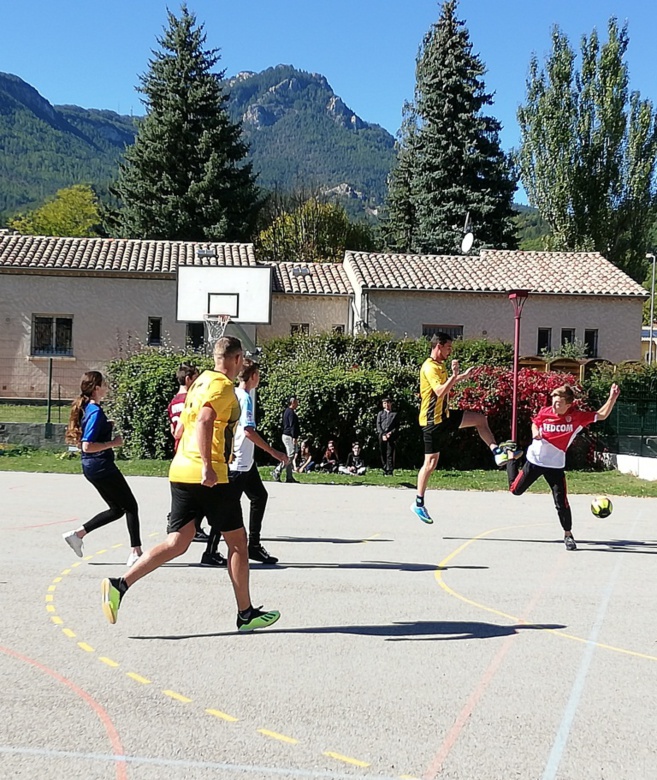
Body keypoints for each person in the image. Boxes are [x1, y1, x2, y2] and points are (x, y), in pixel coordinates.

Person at [100, 336, 280, 633]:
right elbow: (206, 420)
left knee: (178, 542)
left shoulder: (199, 382)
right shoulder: (223, 386)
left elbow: (183, 424)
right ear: (236, 360)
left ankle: (120, 584)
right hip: (208, 476)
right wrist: (209, 465)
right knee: (238, 543)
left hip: (181, 471)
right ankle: (246, 614)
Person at [412, 332, 522, 524]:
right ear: (439, 346)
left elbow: (444, 387)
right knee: (430, 464)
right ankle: (419, 504)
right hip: (432, 422)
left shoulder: (439, 366)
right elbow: (439, 391)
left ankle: (496, 452)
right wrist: (455, 375)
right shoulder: (429, 367)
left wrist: (462, 376)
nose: (450, 351)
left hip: (445, 416)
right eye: (448, 348)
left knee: (480, 419)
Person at [507, 383, 620, 551]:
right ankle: (511, 457)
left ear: (568, 404)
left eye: (558, 402)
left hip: (555, 465)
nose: (554, 405)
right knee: (515, 490)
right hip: (535, 461)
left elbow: (602, 415)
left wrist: (612, 397)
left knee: (561, 502)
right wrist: (535, 432)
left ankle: (568, 535)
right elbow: (535, 423)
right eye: (553, 401)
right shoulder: (545, 412)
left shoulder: (576, 417)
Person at [63, 371, 143, 566]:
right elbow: (87, 445)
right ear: (96, 388)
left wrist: (106, 426)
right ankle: (136, 552)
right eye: (104, 384)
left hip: (93, 467)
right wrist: (113, 443)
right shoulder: (95, 411)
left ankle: (77, 535)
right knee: (131, 506)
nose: (106, 387)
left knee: (117, 509)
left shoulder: (90, 409)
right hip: (100, 465)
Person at [229, 358, 289, 564]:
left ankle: (253, 545)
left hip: (246, 462)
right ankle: (210, 550)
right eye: (258, 374)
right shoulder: (244, 398)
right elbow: (248, 431)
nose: (260, 378)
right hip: (238, 463)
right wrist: (275, 453)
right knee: (226, 507)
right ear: (253, 376)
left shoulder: (234, 394)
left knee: (259, 497)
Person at [167, 362, 210, 544]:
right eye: (196, 377)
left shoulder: (173, 402)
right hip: (190, 447)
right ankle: (183, 522)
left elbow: (172, 429)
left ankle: (181, 520)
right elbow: (182, 428)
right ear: (188, 379)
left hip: (179, 449)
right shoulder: (191, 399)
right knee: (201, 490)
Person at [272, 396, 300, 483]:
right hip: (288, 436)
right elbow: (292, 426)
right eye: (296, 402)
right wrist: (294, 437)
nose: (298, 403)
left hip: (288, 435)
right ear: (292, 402)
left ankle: (289, 477)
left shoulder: (288, 411)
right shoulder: (290, 412)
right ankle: (277, 471)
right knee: (290, 455)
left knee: (290, 456)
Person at [376, 397, 399, 475]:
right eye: (385, 403)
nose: (387, 405)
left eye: (388, 403)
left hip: (391, 436)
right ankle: (384, 467)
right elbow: (378, 425)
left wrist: (390, 433)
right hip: (382, 435)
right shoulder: (380, 413)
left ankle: (390, 469)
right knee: (382, 451)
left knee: (390, 453)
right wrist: (383, 434)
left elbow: (397, 426)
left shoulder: (394, 414)